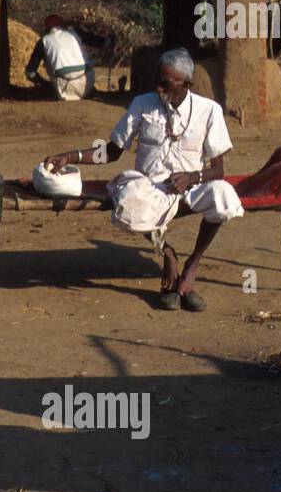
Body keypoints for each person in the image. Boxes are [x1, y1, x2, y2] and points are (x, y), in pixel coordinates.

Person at [43, 47, 243, 311]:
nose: (158, 89)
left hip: (190, 187)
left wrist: (193, 177)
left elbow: (218, 170)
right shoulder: (142, 104)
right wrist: (71, 157)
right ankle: (168, 254)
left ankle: (190, 270)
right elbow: (112, 152)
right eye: (157, 81)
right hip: (149, 187)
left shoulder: (209, 111)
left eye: (166, 84)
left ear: (187, 84)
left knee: (223, 195)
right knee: (127, 198)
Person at [25, 14, 96, 101]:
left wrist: (45, 85)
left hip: (63, 88)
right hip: (87, 84)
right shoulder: (75, 33)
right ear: (62, 25)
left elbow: (30, 72)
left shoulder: (44, 41)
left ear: (46, 28)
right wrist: (109, 40)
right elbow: (100, 42)